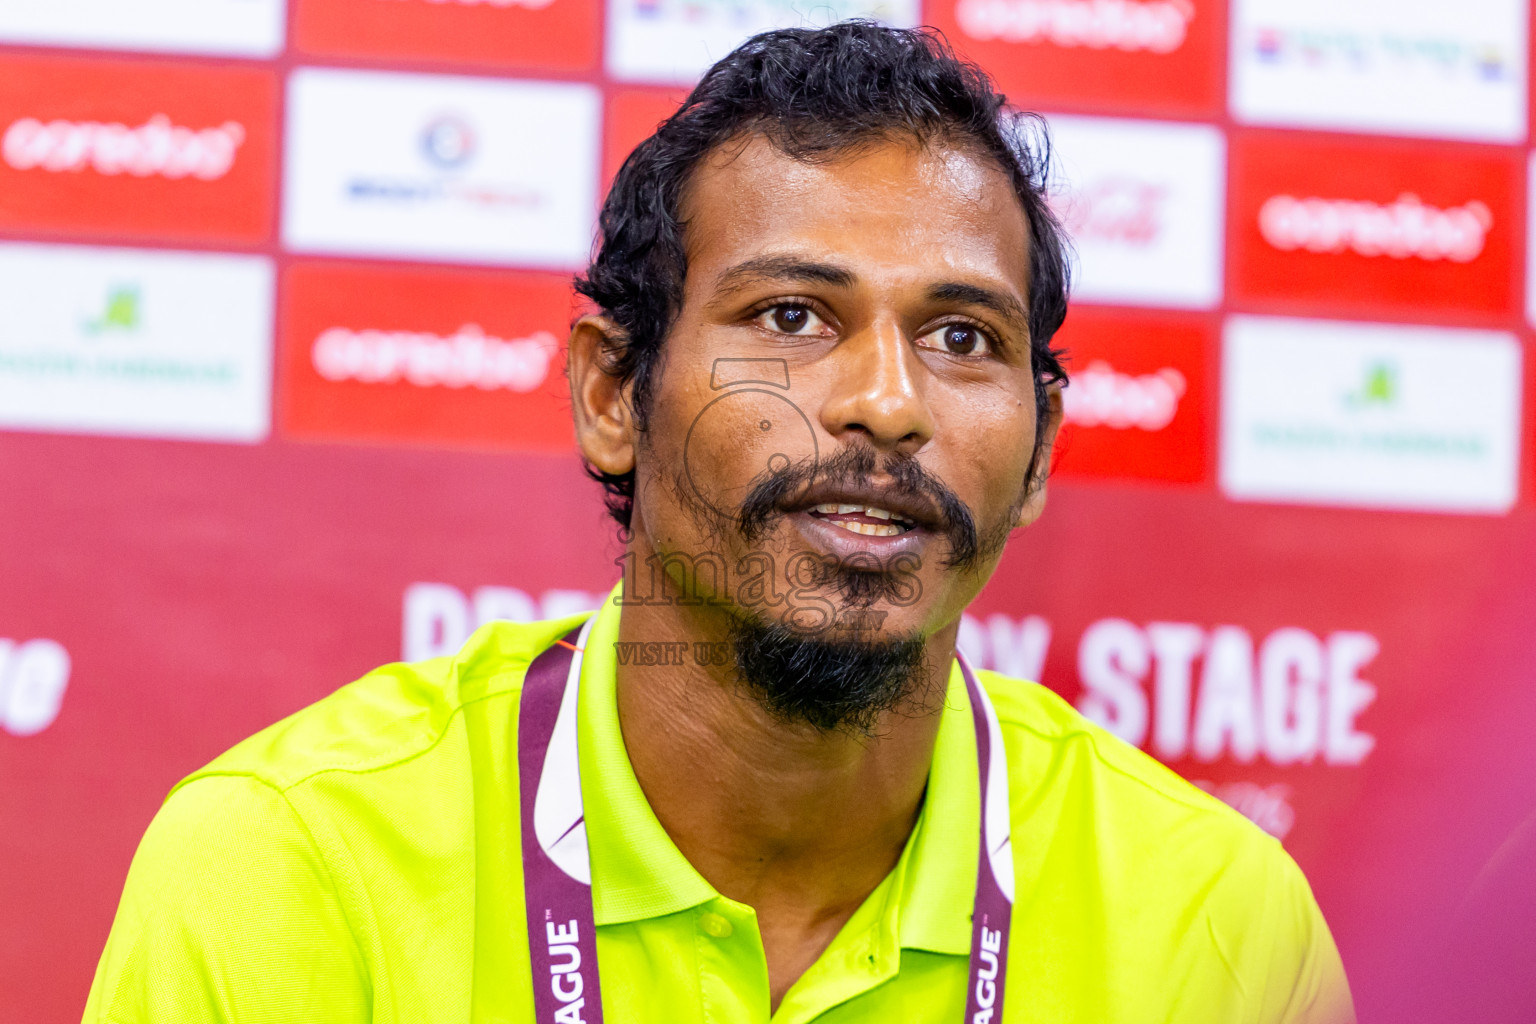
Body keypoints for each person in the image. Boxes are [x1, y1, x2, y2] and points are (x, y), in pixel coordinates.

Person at [84, 22, 1353, 1024]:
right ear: (611, 395)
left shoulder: (1218, 934)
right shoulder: (298, 871)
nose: (885, 404)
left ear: (1038, 456)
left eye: (963, 337)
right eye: (793, 317)